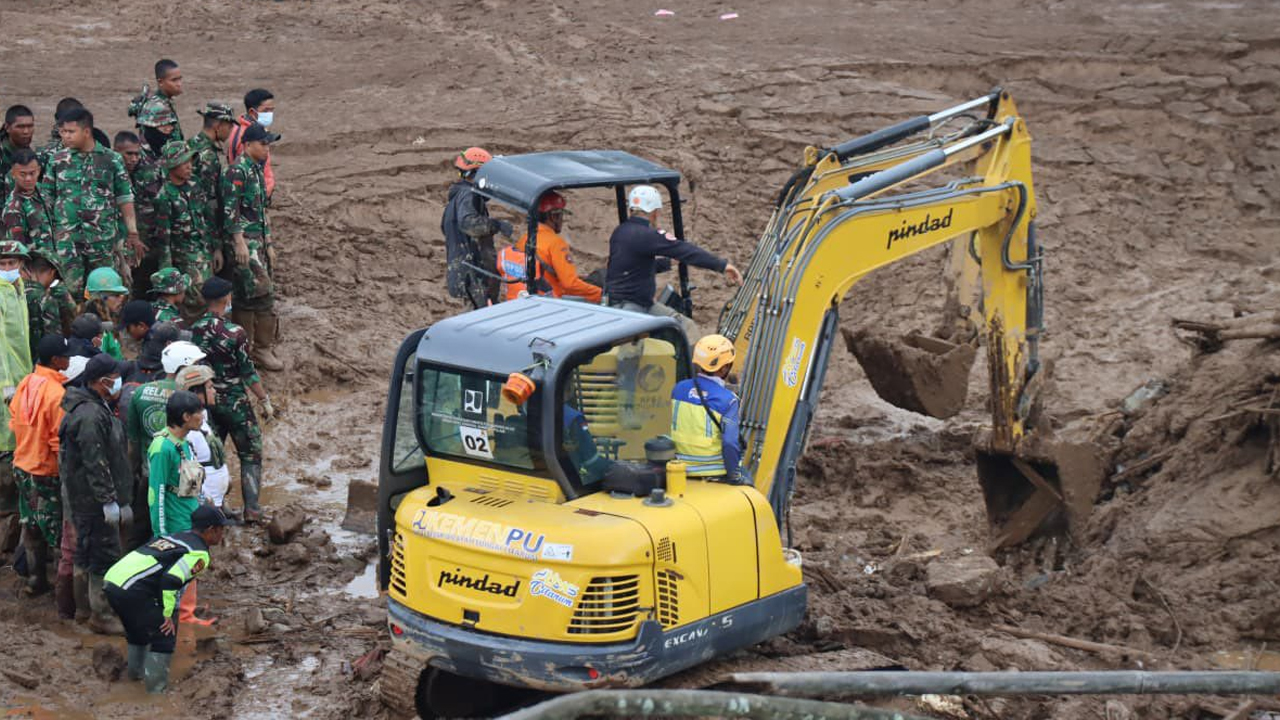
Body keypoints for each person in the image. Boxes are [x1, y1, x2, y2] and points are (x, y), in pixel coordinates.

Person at [104, 504, 227, 694]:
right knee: (164, 636)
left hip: (113, 580)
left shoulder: (176, 536)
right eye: (221, 529)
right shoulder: (199, 553)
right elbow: (171, 580)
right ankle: (156, 694)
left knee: (138, 632)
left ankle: (135, 677)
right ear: (211, 530)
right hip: (133, 589)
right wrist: (167, 613)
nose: (223, 534)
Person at [605, 185, 741, 339]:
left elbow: (634, 266)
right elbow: (685, 250)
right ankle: (693, 362)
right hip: (633, 309)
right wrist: (722, 266)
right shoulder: (647, 235)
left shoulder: (620, 232)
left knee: (685, 327)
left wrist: (668, 263)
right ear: (654, 212)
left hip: (630, 304)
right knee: (680, 333)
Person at [59, 352, 133, 634]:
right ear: (102, 382)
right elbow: (95, 462)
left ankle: (82, 611)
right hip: (92, 500)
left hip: (87, 498)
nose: (119, 384)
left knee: (86, 552)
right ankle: (101, 615)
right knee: (103, 555)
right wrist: (108, 501)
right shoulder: (90, 415)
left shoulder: (93, 406)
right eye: (115, 380)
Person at [191, 278, 274, 522]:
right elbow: (248, 372)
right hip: (236, 402)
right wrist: (264, 399)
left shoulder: (194, 330)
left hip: (205, 402)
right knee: (250, 453)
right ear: (226, 299)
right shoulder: (235, 332)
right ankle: (252, 510)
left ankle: (215, 508)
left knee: (210, 455)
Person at [41, 108, 143, 297]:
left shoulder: (111, 160)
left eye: (71, 132)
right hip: (68, 243)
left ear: (86, 131)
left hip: (101, 242)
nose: (65, 136)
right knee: (70, 293)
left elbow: (125, 198)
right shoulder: (57, 161)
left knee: (104, 292)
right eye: (63, 132)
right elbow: (47, 198)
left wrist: (133, 233)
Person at [124, 339, 204, 549]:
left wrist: (132, 476)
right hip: (175, 479)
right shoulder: (189, 398)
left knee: (139, 531)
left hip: (147, 472)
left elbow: (133, 439)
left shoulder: (141, 392)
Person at [9, 334, 72, 597]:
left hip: (22, 466)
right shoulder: (56, 394)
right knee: (58, 531)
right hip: (46, 471)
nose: (69, 359)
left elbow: (13, 418)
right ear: (56, 360)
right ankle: (62, 590)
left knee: (31, 524)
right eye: (66, 356)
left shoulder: (27, 382)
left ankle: (35, 581)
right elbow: (58, 439)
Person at [222, 123, 282, 371]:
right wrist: (239, 243)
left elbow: (261, 210)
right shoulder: (237, 171)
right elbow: (230, 210)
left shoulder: (256, 170)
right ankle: (249, 352)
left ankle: (262, 348)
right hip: (245, 243)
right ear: (247, 145)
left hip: (258, 241)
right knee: (249, 295)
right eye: (263, 144)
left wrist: (268, 243)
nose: (267, 148)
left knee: (264, 294)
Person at [499, 191, 601, 303]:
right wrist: (600, 293)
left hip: (525, 297)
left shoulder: (525, 238)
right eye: (561, 214)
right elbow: (570, 284)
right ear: (553, 216)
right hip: (552, 301)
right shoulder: (556, 243)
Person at [442, 146, 511, 309]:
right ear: (478, 174)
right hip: (472, 275)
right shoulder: (468, 195)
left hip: (467, 273)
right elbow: (469, 224)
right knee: (477, 324)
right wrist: (496, 225)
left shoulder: (457, 200)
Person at [154, 142, 215, 322]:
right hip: (184, 262)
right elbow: (164, 238)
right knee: (193, 305)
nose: (189, 166)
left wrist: (216, 248)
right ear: (172, 166)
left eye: (190, 161)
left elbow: (207, 219)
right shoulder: (164, 196)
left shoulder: (195, 185)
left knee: (209, 300)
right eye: (184, 162)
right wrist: (167, 270)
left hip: (205, 256)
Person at [669, 334, 742, 483]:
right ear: (724, 368)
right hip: (713, 471)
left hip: (679, 469)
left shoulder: (678, 389)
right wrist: (734, 475)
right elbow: (730, 443)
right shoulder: (728, 400)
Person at [53, 353, 88, 619]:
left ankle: (66, 608)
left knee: (68, 546)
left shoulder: (67, 407)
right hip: (75, 487)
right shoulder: (72, 412)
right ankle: (69, 610)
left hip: (66, 482)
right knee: (73, 548)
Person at [0, 240, 31, 538]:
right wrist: (5, 382)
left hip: (21, 375)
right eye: (3, 264)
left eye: (12, 263)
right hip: (5, 380)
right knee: (5, 439)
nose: (7, 268)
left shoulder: (19, 289)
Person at [113, 131, 167, 295]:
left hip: (146, 242)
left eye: (137, 154)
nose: (134, 158)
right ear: (116, 151)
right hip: (120, 242)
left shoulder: (149, 172)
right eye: (129, 154)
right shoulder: (108, 173)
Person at [174, 365, 228, 513]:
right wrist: (204, 501)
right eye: (210, 388)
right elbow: (188, 476)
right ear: (196, 393)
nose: (214, 391)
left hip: (214, 504)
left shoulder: (202, 419)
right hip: (204, 508)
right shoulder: (189, 430)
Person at [22, 249, 76, 360]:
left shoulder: (12, 294)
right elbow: (54, 340)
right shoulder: (46, 300)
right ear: (52, 273)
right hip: (38, 367)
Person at [3, 148, 54, 253]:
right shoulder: (13, 210)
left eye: (32, 173)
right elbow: (18, 251)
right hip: (36, 266)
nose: (28, 179)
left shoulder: (43, 191)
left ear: (39, 171)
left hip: (55, 259)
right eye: (22, 174)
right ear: (13, 173)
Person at [226, 89, 276, 198]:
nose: (270, 114)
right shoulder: (249, 137)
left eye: (272, 110)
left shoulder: (240, 128)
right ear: (252, 112)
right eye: (266, 110)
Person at [129, 59, 184, 155]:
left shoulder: (162, 101)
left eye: (180, 79)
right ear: (161, 82)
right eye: (174, 80)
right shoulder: (158, 109)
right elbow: (169, 149)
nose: (179, 84)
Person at [82, 267, 129, 360]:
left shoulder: (105, 321)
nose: (121, 299)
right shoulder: (97, 330)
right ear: (100, 297)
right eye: (116, 295)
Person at [0, 105, 36, 200]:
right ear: (7, 127)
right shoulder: (2, 154)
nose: (26, 131)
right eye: (20, 127)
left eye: (30, 126)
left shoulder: (31, 156)